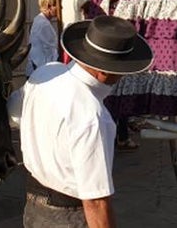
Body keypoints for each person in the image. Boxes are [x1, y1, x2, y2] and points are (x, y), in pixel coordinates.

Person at [10, 15, 154, 226]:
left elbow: (13, 115)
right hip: (68, 215)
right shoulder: (92, 115)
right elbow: (95, 201)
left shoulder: (45, 73)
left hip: (33, 206)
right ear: (108, 71)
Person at [28, 0, 60, 74]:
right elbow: (52, 52)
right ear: (49, 6)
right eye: (57, 4)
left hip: (39, 69)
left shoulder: (39, 20)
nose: (60, 7)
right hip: (42, 71)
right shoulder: (43, 24)